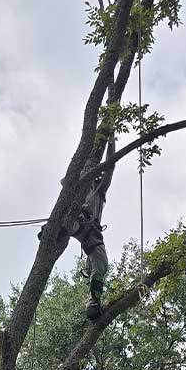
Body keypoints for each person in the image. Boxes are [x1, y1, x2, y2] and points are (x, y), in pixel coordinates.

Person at [42, 136, 115, 320]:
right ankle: (55, 229)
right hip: (73, 219)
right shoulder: (75, 185)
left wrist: (111, 139)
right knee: (69, 222)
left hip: (90, 229)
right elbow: (67, 181)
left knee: (101, 263)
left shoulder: (99, 189)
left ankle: (93, 303)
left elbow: (110, 166)